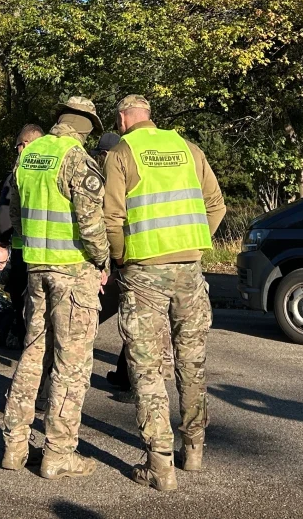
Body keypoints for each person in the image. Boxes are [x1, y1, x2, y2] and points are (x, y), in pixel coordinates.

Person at [103, 94, 226, 491]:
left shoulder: (121, 153)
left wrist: (120, 258)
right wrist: (194, 243)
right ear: (150, 116)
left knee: (147, 368)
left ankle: (160, 465)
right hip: (189, 270)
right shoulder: (188, 149)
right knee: (192, 362)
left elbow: (112, 218)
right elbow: (216, 205)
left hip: (143, 272)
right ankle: (194, 450)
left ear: (123, 119)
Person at [0, 96, 110, 479]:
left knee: (32, 356)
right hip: (73, 274)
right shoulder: (77, 159)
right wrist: (102, 260)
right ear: (86, 127)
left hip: (36, 270)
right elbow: (91, 224)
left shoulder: (29, 156)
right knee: (71, 365)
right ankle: (59, 454)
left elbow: (15, 217)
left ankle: (15, 446)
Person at [0, 123, 44, 348]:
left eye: (18, 147)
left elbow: (4, 217)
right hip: (57, 254)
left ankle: (27, 346)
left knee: (23, 302)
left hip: (24, 251)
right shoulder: (57, 169)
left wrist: (3, 241)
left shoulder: (20, 173)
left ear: (24, 145)